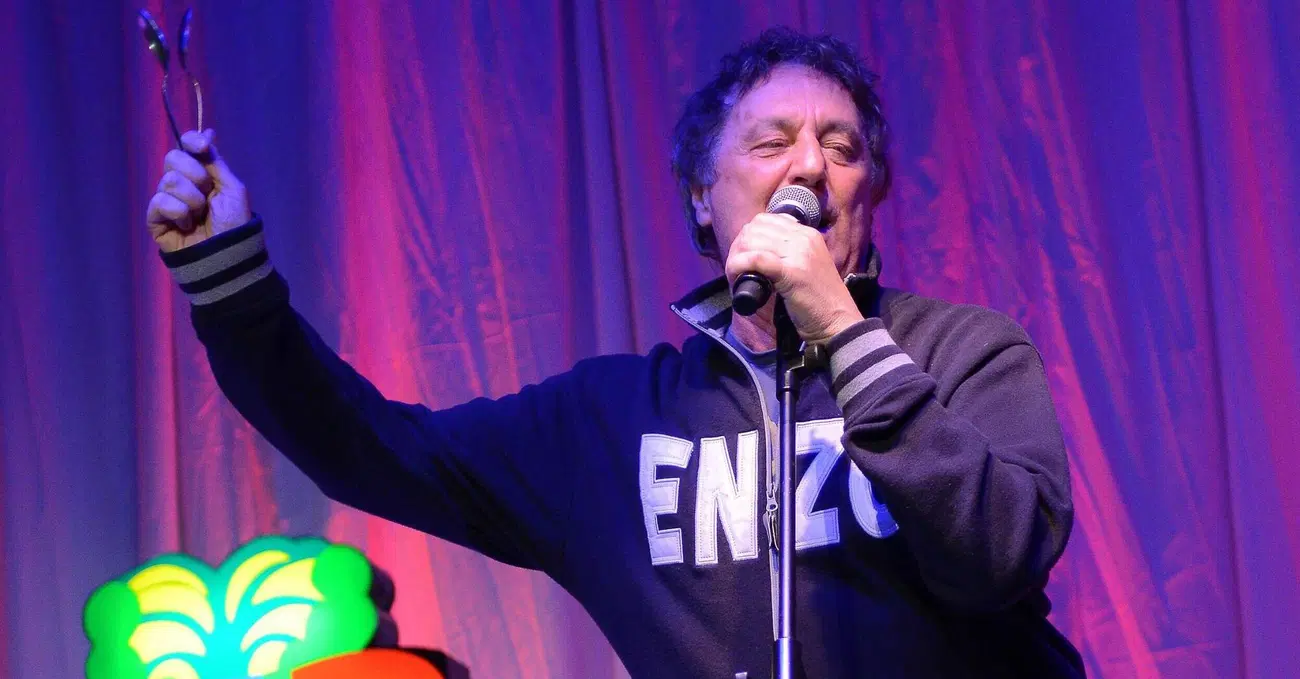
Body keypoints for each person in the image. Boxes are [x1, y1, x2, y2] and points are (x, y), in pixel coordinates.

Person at [146, 27, 1083, 679]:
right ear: (702, 197)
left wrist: (842, 331)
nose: (811, 167)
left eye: (842, 149)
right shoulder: (613, 423)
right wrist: (229, 281)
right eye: (773, 143)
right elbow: (371, 446)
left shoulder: (965, 354)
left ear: (869, 194)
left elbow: (998, 557)